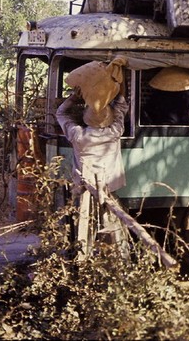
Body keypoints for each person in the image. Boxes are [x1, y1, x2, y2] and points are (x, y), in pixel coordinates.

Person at [56, 86, 129, 257]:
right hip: (109, 190)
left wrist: (75, 97)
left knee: (82, 228)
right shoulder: (115, 132)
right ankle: (120, 261)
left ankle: (83, 259)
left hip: (83, 191)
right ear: (108, 120)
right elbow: (121, 108)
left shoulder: (78, 135)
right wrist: (117, 88)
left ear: (86, 119)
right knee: (116, 229)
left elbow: (61, 113)